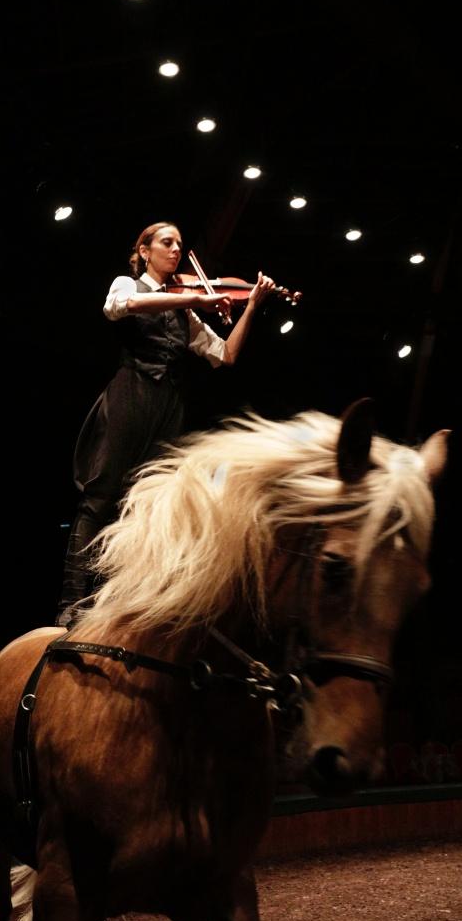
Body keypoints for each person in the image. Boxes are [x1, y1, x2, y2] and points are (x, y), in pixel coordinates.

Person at [55, 220, 275, 627]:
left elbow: (225, 354)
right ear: (144, 252)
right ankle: (70, 601)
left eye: (180, 244)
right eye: (166, 243)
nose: (176, 250)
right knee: (99, 497)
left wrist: (253, 307)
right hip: (131, 394)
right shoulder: (130, 285)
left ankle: (108, 604)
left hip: (167, 405)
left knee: (136, 505)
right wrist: (187, 298)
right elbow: (122, 308)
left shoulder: (184, 308)